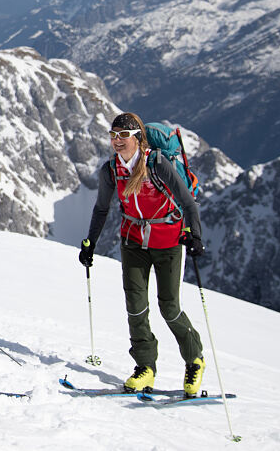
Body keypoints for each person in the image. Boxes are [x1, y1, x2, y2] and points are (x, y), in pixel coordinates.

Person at [79, 112, 207, 396]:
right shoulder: (111, 170)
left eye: (123, 136)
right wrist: (91, 243)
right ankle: (145, 367)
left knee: (169, 307)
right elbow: (102, 209)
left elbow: (188, 202)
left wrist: (194, 234)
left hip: (168, 242)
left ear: (137, 138)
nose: (117, 141)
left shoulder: (157, 164)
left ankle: (194, 359)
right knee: (135, 307)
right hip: (133, 242)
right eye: (113, 135)